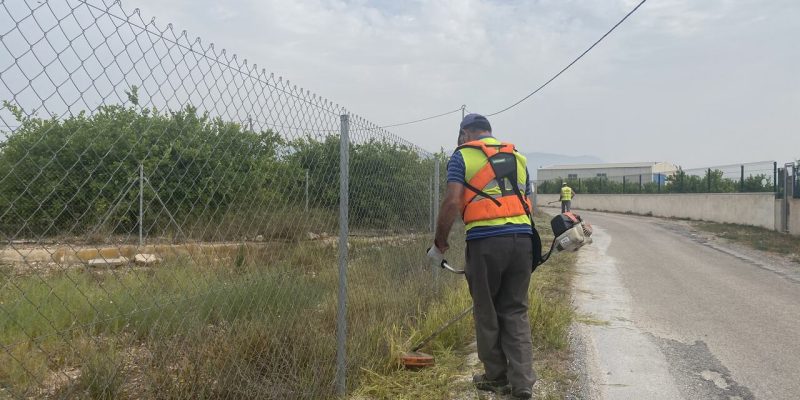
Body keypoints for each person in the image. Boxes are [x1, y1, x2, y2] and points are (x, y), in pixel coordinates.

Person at [429, 113, 536, 399]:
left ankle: (497, 378)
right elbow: (527, 199)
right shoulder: (518, 157)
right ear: (489, 132)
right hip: (523, 240)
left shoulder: (462, 156)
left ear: (465, 134)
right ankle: (523, 381)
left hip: (485, 242)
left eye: (460, 137)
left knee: (487, 309)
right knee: (515, 309)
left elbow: (452, 201)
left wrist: (439, 243)